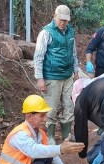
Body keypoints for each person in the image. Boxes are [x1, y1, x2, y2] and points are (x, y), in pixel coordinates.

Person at [33, 5, 79, 145]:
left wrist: (76, 70)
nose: (62, 23)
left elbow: (74, 53)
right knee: (51, 109)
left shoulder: (70, 32)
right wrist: (40, 78)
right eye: (60, 19)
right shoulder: (46, 32)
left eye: (65, 20)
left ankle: (67, 135)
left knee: (69, 106)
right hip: (51, 76)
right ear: (54, 16)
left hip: (68, 76)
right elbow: (38, 56)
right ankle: (51, 137)